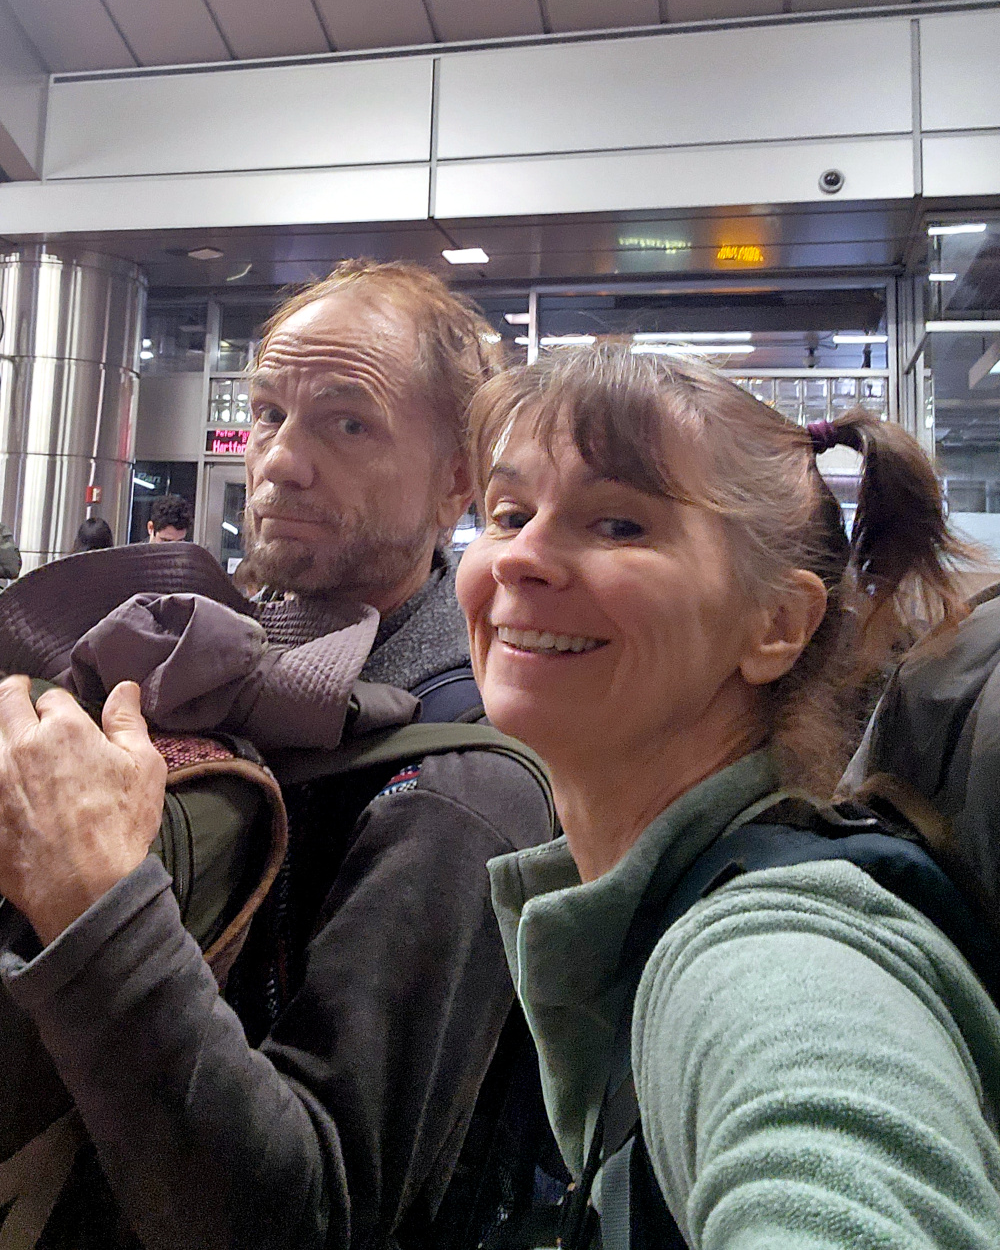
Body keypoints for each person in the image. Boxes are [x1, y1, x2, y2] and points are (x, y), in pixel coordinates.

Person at [0, 259, 554, 1249]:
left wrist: (94, 902)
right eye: (267, 413)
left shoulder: (460, 784)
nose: (279, 461)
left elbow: (314, 1212)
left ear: (456, 481)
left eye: (348, 424)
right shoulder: (205, 657)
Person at [454, 345, 1000, 1247]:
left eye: (619, 524)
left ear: (777, 625)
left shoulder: (773, 962)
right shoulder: (657, 898)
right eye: (509, 514)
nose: (521, 558)